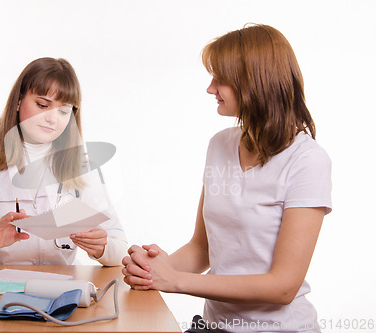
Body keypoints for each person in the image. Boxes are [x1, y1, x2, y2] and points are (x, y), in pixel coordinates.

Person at [122, 24, 331, 333]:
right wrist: (151, 271)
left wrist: (175, 280)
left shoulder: (307, 160)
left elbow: (283, 287)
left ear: (255, 83)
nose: (210, 88)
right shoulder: (220, 145)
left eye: (221, 79)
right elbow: (202, 248)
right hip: (215, 326)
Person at [0, 57, 127, 268]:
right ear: (18, 101)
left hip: (61, 295)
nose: (52, 119)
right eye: (42, 105)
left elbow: (121, 251)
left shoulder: (84, 172)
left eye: (64, 111)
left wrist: (102, 248)